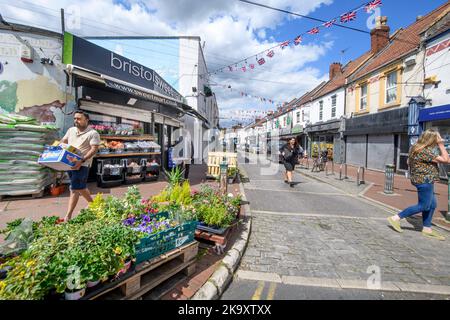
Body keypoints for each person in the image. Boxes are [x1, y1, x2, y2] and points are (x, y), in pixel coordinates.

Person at [387, 129, 449, 240]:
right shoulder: (425, 151)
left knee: (433, 204)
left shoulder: (416, 148)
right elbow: (446, 160)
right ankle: (396, 218)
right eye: (437, 138)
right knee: (424, 205)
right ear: (432, 139)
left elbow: (407, 162)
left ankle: (427, 228)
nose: (439, 140)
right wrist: (441, 145)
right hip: (424, 180)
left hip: (422, 179)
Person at [60, 111, 100, 222]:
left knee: (74, 188)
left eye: (78, 119)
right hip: (69, 162)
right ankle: (94, 204)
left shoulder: (93, 133)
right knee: (80, 187)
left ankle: (68, 216)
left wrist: (81, 160)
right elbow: (63, 141)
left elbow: (94, 149)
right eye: (75, 118)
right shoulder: (71, 130)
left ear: (86, 120)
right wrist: (52, 151)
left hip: (82, 164)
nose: (76, 121)